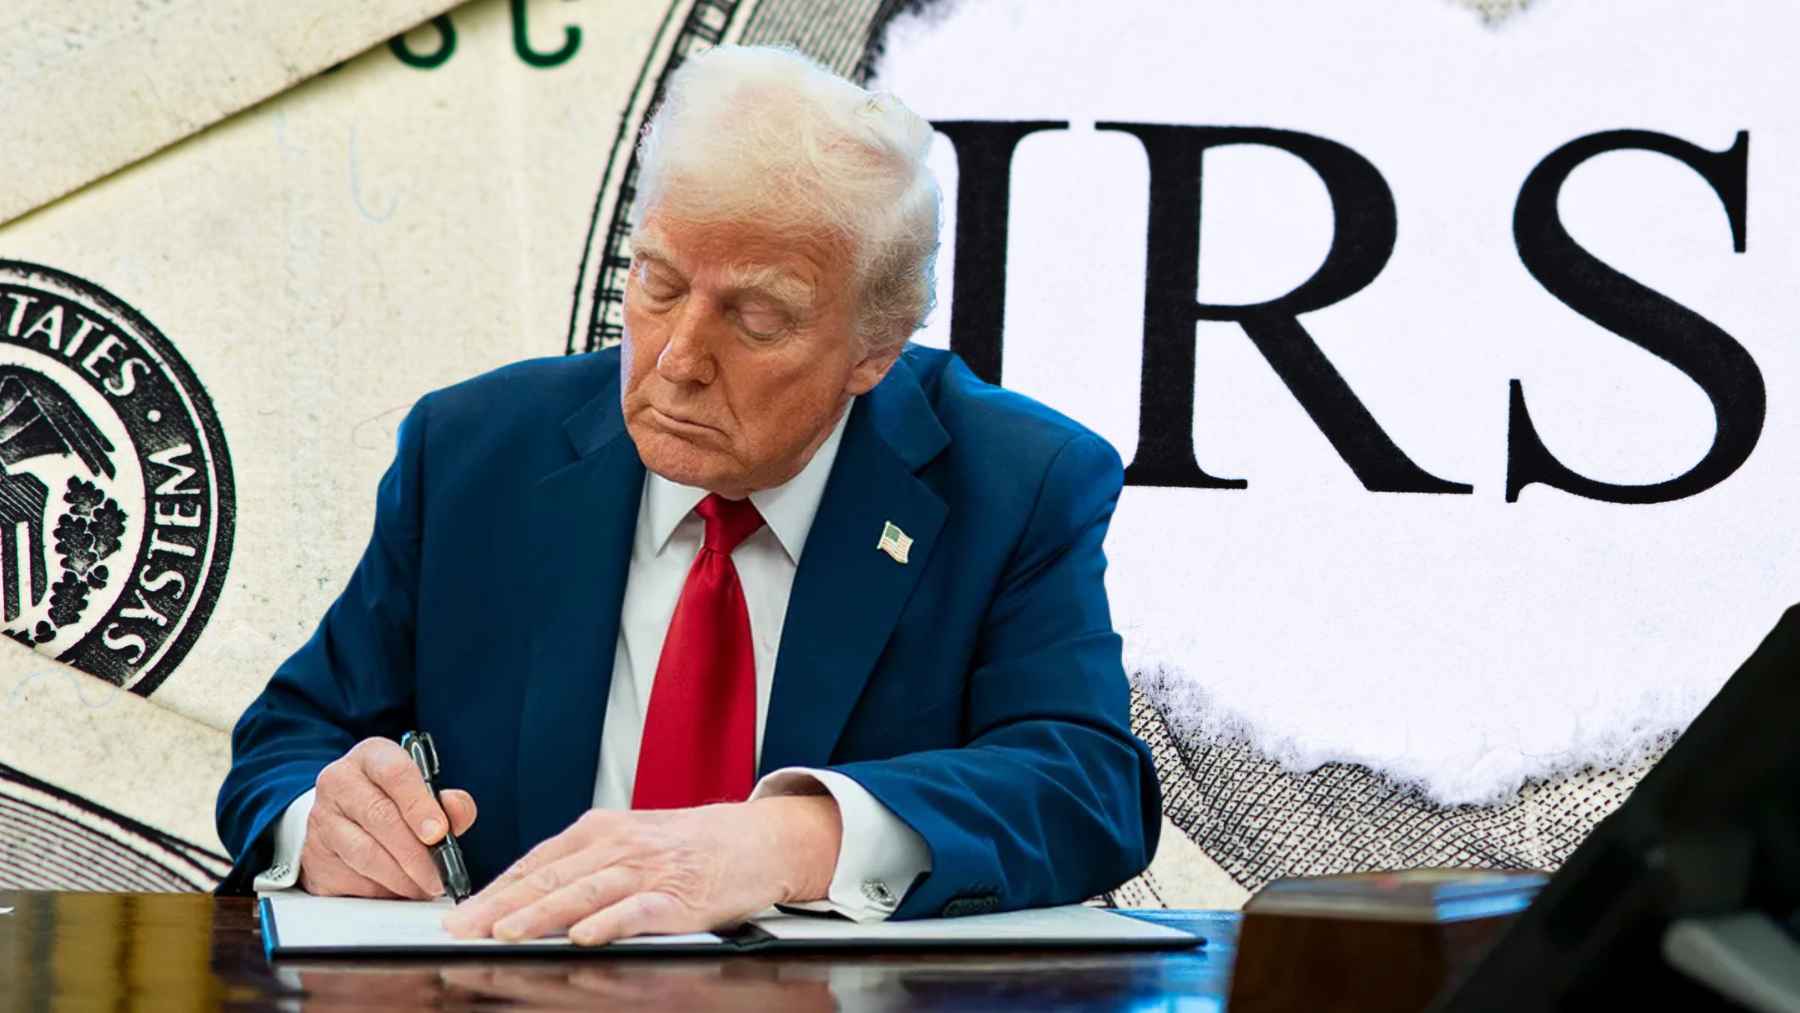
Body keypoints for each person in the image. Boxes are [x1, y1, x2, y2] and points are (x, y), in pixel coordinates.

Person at [215, 43, 1159, 945]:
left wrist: (787, 840)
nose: (677, 359)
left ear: (876, 346)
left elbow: (1084, 787)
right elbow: (290, 740)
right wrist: (323, 820)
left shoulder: (1016, 480)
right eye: (658, 282)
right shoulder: (474, 451)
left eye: (755, 316)